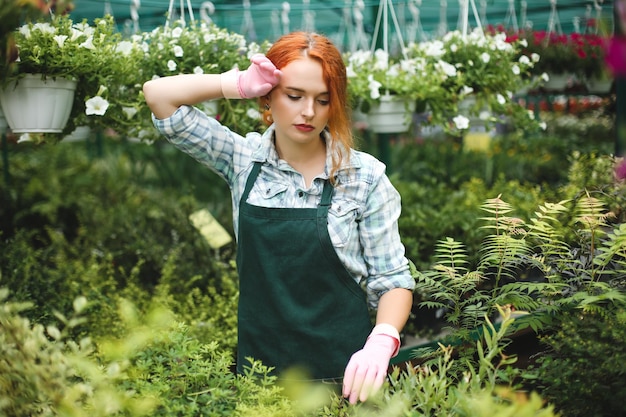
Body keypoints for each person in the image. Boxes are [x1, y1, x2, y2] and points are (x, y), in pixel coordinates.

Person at [143, 31, 415, 404]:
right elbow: (159, 96)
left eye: (323, 100)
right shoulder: (242, 159)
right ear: (269, 95)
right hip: (260, 379)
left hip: (346, 379)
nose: (308, 112)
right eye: (294, 95)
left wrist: (382, 340)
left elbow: (392, 279)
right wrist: (236, 83)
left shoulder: (363, 177)